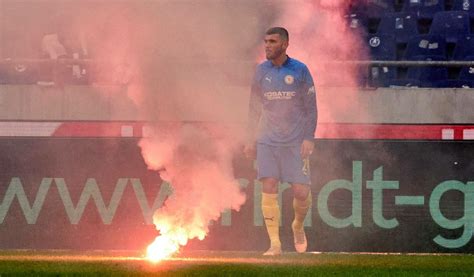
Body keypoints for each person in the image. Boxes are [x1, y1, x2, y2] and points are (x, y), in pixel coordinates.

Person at [245, 27, 317, 256]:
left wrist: (309, 137)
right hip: (267, 139)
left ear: (285, 44)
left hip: (295, 141)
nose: (267, 45)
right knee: (269, 185)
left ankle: (297, 226)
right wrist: (250, 139)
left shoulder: (300, 70)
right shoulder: (260, 71)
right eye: (265, 41)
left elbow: (311, 108)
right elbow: (253, 108)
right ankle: (275, 244)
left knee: (301, 191)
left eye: (272, 41)